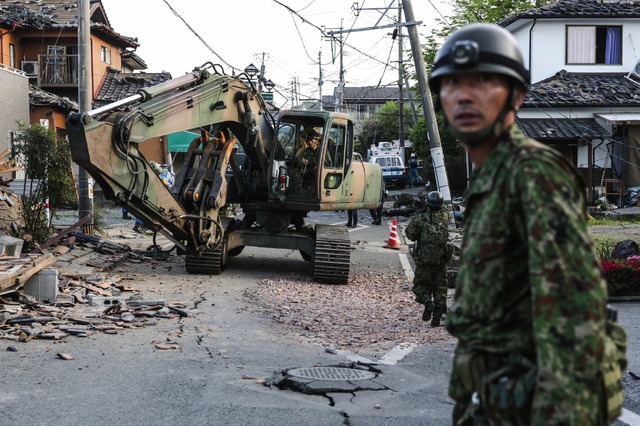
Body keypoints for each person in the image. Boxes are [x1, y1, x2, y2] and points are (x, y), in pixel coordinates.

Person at [430, 23, 617, 424]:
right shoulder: (491, 177)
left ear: (517, 95)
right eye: (452, 83)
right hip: (494, 402)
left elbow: (575, 315)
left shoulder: (532, 173)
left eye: (483, 81)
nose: (464, 94)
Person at [405, 191, 450, 327]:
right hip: (441, 259)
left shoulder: (421, 218)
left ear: (428, 204)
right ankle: (436, 318)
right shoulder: (445, 216)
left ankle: (427, 303)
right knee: (440, 288)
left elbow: (410, 235)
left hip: (424, 259)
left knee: (420, 285)